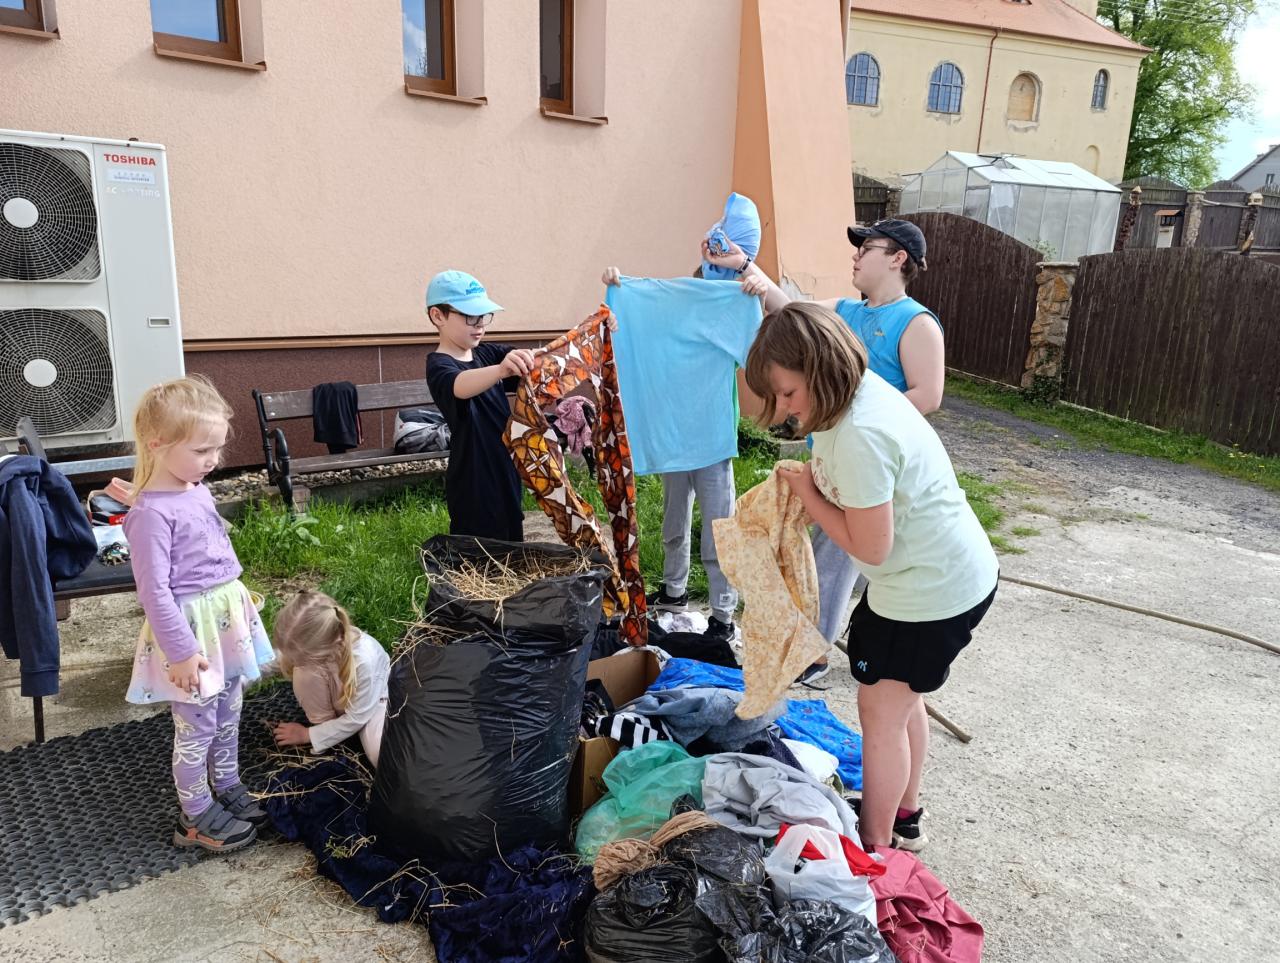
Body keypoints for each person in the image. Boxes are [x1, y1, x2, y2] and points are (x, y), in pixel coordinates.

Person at [744, 302, 997, 854]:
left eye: (788, 393)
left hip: (930, 590)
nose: (784, 409)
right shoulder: (851, 398)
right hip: (931, 577)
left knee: (879, 714)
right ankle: (905, 815)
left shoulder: (861, 433)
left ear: (821, 369)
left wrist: (809, 494)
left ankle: (876, 847)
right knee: (900, 701)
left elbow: (871, 547)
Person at [707, 219, 944, 684]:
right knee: (792, 535)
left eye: (867, 248)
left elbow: (928, 395)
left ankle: (811, 655)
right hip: (830, 453)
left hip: (866, 461)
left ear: (898, 258)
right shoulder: (846, 311)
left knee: (834, 556)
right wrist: (745, 266)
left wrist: (860, 429)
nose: (856, 256)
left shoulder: (915, 322)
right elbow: (792, 311)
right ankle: (794, 632)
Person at [601, 193, 763, 644]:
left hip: (711, 438)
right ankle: (674, 592)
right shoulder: (689, 291)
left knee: (719, 529)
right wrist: (618, 288)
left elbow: (759, 357)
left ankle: (722, 614)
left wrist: (754, 290)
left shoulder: (741, 295)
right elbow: (643, 315)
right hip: (674, 433)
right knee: (675, 520)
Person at [122, 376, 276, 853]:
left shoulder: (194, 488)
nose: (213, 460)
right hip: (190, 637)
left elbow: (206, 545)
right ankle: (194, 814)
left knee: (230, 710)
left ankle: (226, 784)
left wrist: (236, 598)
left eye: (217, 449)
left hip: (221, 625)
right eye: (202, 450)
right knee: (197, 724)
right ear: (157, 444)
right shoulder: (150, 515)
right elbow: (155, 593)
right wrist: (182, 653)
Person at [425, 270, 538, 542]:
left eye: (483, 316)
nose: (479, 325)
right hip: (473, 476)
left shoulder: (487, 353)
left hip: (505, 463)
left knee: (511, 532)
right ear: (438, 316)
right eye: (469, 316)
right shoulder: (438, 365)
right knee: (479, 543)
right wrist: (500, 370)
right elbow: (460, 385)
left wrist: (596, 327)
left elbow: (531, 360)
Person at [269, 590, 391, 767]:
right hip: (340, 700)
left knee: (381, 754)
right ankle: (327, 727)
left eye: (302, 658)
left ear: (328, 646)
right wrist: (241, 676)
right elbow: (275, 659)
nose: (293, 663)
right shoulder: (316, 645)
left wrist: (307, 735)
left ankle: (328, 732)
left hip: (370, 706)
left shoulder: (364, 660)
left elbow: (357, 718)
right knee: (304, 672)